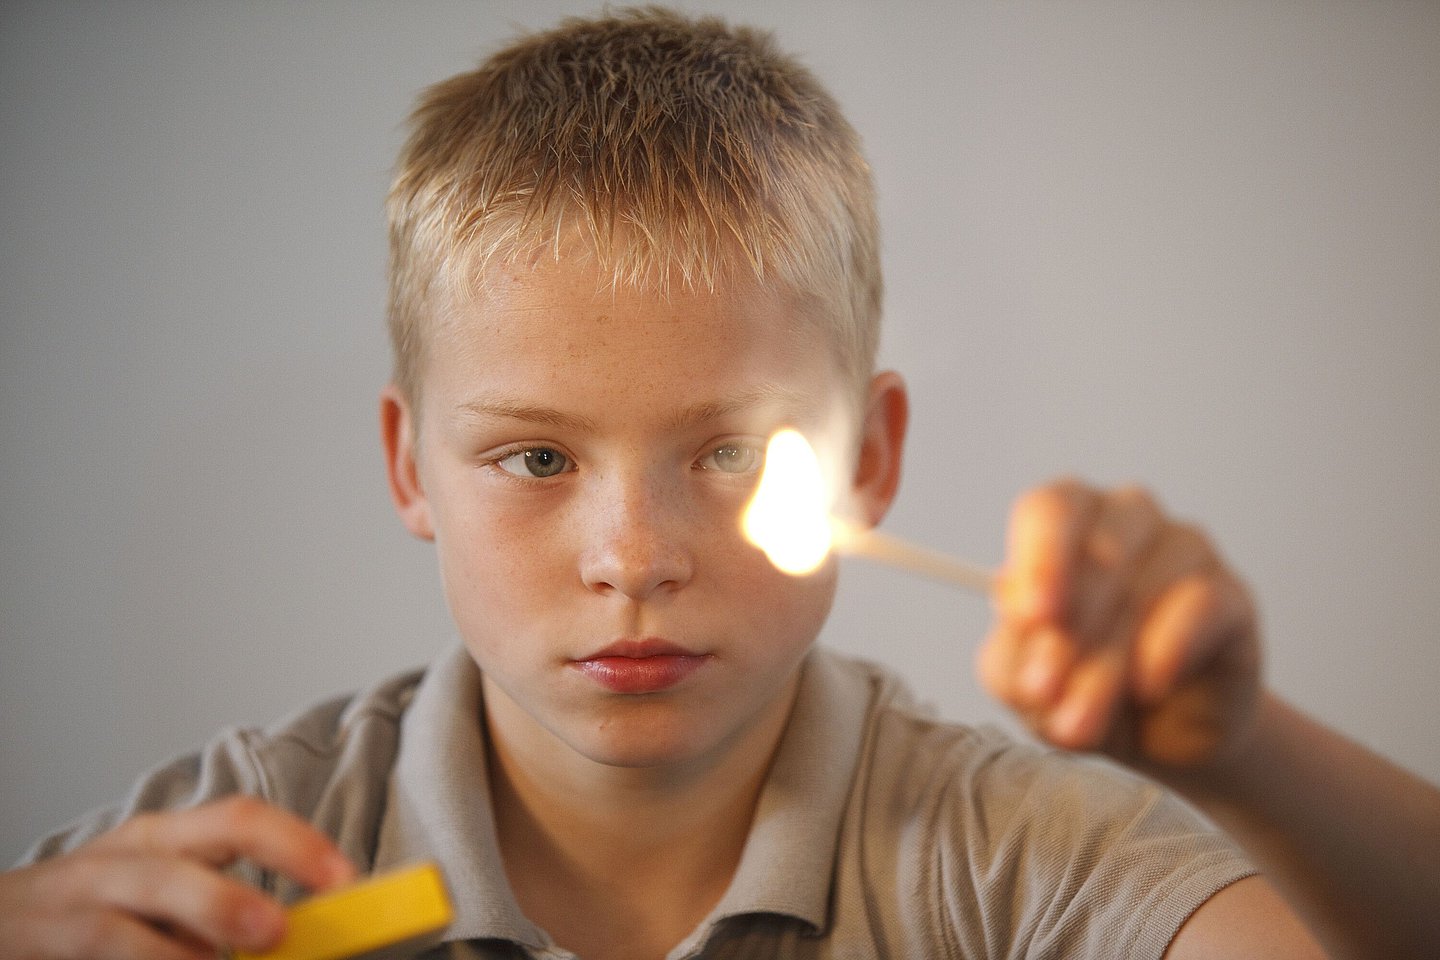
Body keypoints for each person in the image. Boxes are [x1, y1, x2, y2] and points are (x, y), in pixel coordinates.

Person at [2, 8, 1436, 960]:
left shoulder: (1016, 868)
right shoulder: (235, 859)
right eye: (537, 458)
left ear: (870, 458)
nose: (633, 554)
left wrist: (1237, 753)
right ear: (407, 464)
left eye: (734, 453)